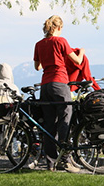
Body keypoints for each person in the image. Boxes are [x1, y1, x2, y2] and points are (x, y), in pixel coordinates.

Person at [33, 15, 84, 173]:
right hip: (59, 83)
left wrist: (48, 58)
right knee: (65, 118)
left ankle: (50, 162)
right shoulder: (61, 41)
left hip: (45, 85)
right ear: (59, 28)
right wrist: (81, 51)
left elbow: (37, 67)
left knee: (49, 123)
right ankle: (65, 159)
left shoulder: (39, 44)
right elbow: (77, 61)